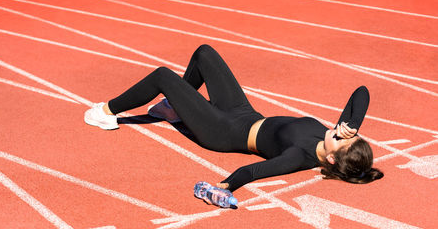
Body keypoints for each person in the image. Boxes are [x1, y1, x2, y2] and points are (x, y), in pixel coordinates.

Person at [84, 44, 383, 192]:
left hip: (223, 132)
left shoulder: (299, 156)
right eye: (350, 134)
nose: (343, 133)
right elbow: (362, 92)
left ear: (331, 160)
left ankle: (106, 112)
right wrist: (353, 124)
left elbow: (252, 172)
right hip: (243, 113)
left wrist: (225, 187)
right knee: (204, 53)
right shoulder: (335, 135)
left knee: (163, 76)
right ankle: (178, 107)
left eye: (345, 139)